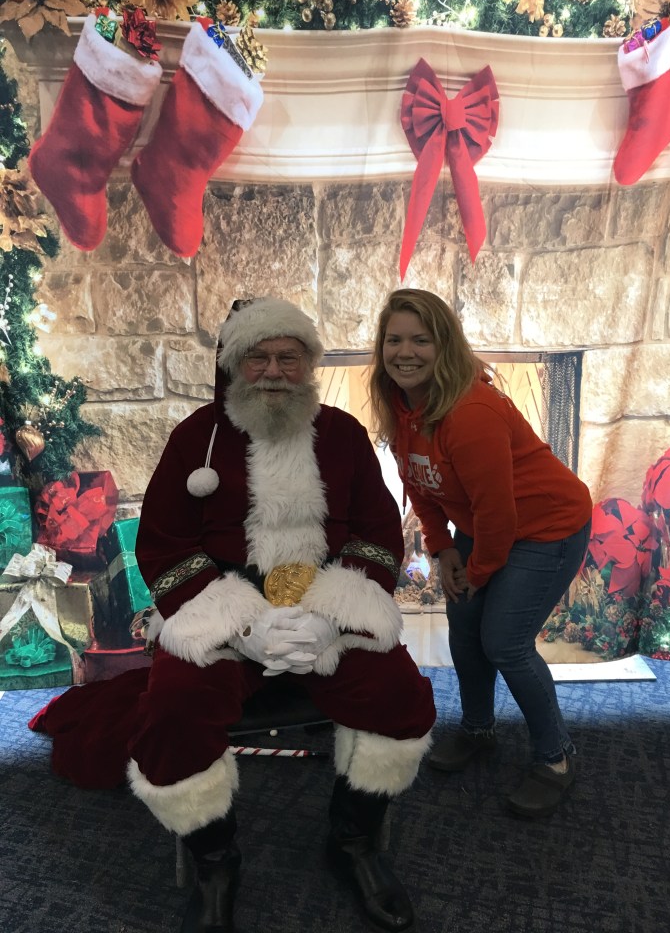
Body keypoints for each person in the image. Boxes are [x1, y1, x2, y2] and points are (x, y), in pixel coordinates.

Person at [32, 296, 435, 933]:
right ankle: (215, 862)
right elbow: (163, 543)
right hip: (219, 614)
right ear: (233, 365)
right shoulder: (195, 438)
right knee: (173, 712)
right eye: (259, 358)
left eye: (289, 357)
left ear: (309, 366)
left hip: (326, 608)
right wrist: (246, 626)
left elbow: (380, 534)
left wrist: (333, 614)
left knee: (403, 696)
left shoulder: (346, 436)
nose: (275, 371)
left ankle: (353, 842)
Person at [368, 288, 592, 819]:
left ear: (444, 345)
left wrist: (476, 572)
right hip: (483, 528)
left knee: (504, 643)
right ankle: (478, 730)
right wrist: (443, 550)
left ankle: (556, 756)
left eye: (420, 340)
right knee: (464, 632)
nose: (405, 351)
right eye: (394, 339)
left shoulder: (471, 414)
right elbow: (420, 486)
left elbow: (500, 514)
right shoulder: (403, 407)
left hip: (547, 528)